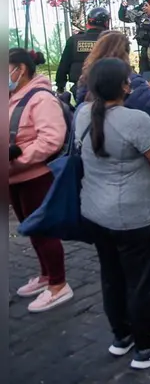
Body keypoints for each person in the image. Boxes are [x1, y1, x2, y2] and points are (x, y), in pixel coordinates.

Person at [76, 58, 150, 369]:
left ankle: (121, 336)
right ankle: (146, 347)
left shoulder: (82, 114)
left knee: (111, 277)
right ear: (125, 86)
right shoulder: (136, 120)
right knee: (140, 282)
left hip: (95, 212)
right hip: (133, 217)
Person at [9, 48, 72, 313]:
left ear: (20, 69)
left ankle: (58, 284)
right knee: (31, 228)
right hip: (14, 178)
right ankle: (46, 275)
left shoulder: (41, 98)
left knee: (44, 231)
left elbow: (51, 139)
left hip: (36, 175)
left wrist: (18, 159)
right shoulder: (11, 97)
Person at [56, 7, 111, 95]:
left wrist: (60, 86)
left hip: (80, 88)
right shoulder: (111, 40)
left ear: (89, 22)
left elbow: (64, 65)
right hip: (107, 88)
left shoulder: (74, 40)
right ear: (106, 23)